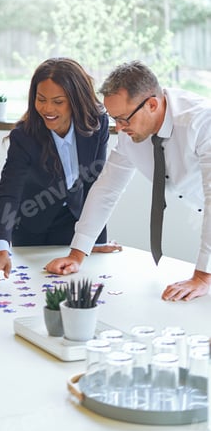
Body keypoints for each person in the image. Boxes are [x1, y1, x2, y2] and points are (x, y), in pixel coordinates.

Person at [46, 60, 211, 302]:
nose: (119, 128)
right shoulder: (130, 132)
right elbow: (107, 188)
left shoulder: (201, 122)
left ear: (152, 104)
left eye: (124, 119)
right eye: (114, 119)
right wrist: (77, 254)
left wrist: (203, 275)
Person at [0, 57, 120, 286]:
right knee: (35, 289)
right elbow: (9, 193)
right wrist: (0, 248)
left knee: (77, 285)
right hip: (31, 225)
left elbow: (95, 184)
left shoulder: (97, 123)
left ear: (76, 101)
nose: (47, 109)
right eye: (41, 99)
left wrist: (94, 240)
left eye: (58, 102)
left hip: (75, 221)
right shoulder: (24, 137)